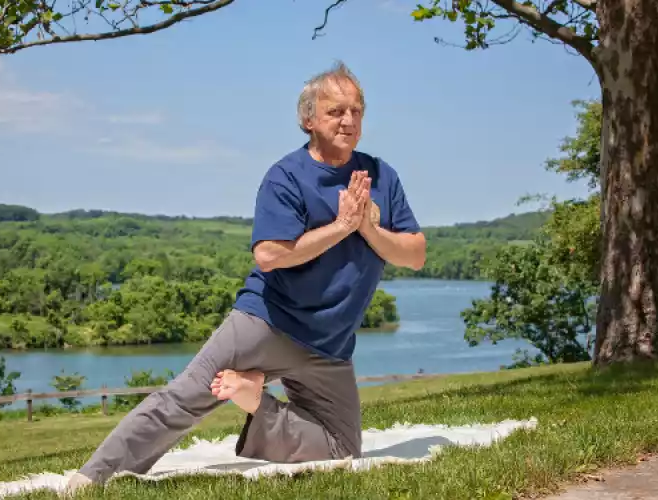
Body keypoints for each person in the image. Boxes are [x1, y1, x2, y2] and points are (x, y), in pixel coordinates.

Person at [63, 61, 426, 494]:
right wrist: (341, 227)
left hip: (329, 347)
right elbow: (270, 254)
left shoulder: (380, 175)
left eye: (357, 111)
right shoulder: (286, 176)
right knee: (182, 400)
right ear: (308, 120)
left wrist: (367, 227)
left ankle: (254, 397)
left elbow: (415, 254)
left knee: (343, 452)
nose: (348, 120)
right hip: (267, 323)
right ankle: (92, 476)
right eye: (336, 111)